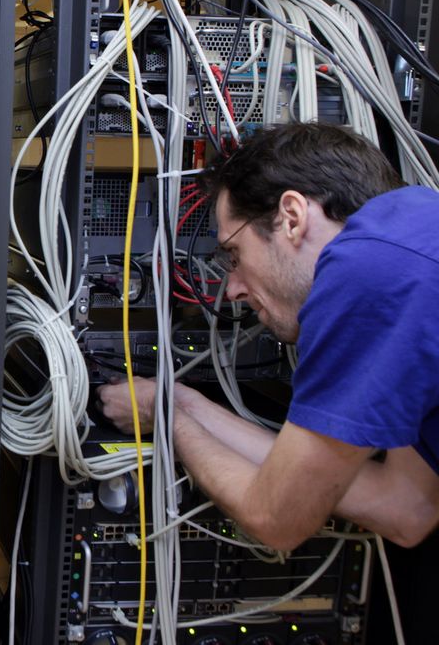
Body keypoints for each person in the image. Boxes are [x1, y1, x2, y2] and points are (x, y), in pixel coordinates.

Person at [98, 123, 439, 556]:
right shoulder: (410, 241)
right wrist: (184, 404)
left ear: (291, 217)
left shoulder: (368, 276)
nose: (234, 289)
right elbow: (405, 507)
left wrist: (167, 421)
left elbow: (275, 520)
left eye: (233, 256)